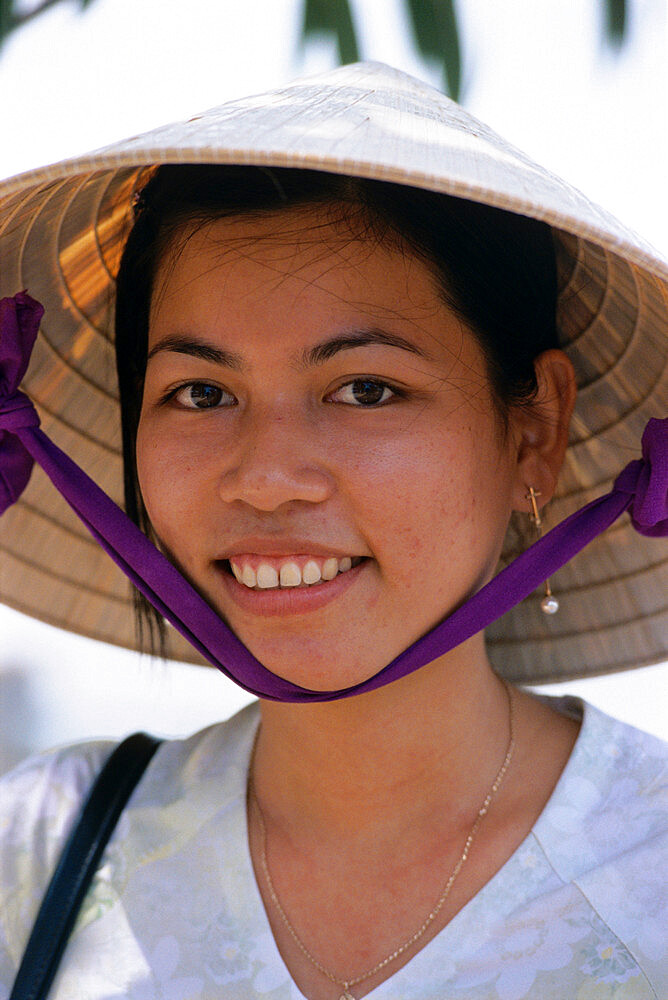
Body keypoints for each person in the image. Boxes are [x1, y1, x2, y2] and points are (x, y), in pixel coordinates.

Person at [0, 62, 666, 999]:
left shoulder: (651, 876)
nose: (266, 479)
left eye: (365, 389)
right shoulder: (39, 855)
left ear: (535, 428)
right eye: (201, 393)